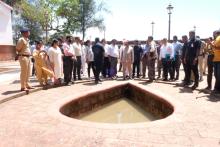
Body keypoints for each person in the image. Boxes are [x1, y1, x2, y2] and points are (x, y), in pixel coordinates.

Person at [209, 30, 220, 94]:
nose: (213, 35)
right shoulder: (216, 40)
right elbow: (215, 50)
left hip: (219, 60)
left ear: (217, 33)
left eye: (214, 33)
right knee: (216, 75)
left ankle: (217, 89)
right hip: (215, 59)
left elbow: (218, 48)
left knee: (218, 75)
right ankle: (217, 88)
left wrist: (212, 45)